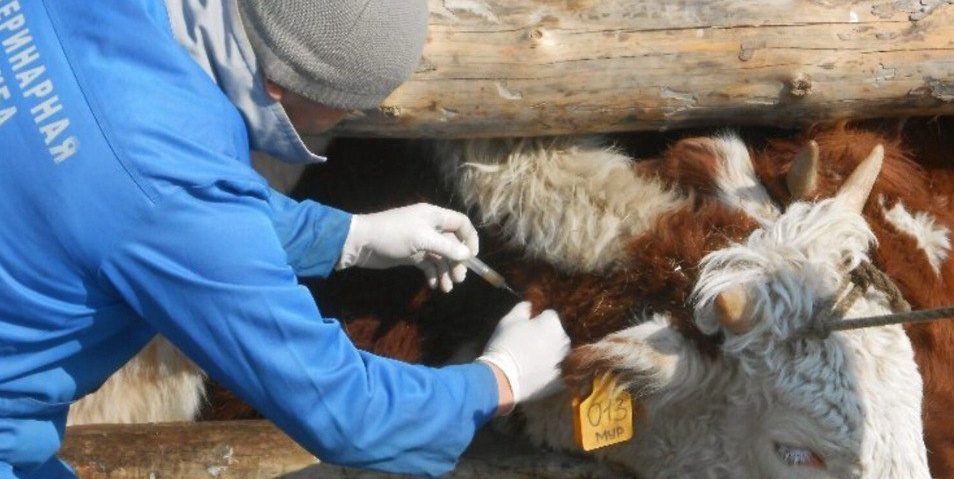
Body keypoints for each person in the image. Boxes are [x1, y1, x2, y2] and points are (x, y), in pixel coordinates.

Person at [0, 1, 572, 478]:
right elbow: (347, 414)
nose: (349, 119)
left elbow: (125, 182)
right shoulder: (175, 200)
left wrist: (350, 236)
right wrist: (501, 379)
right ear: (277, 85)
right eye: (345, 111)